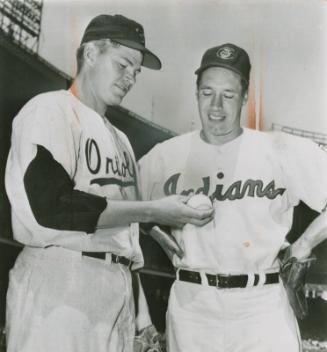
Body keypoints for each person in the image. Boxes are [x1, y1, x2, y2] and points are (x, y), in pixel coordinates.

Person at [4, 14, 214, 352]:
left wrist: (143, 319)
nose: (131, 77)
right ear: (90, 54)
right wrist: (152, 212)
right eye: (123, 65)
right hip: (59, 285)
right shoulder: (48, 111)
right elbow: (53, 206)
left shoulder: (122, 142)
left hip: (115, 293)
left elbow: (125, 247)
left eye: (137, 71)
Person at [139, 43, 327, 352]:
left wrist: (304, 243)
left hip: (263, 306)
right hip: (192, 306)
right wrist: (156, 231)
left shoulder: (278, 150)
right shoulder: (165, 156)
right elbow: (117, 203)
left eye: (228, 95)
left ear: (244, 98)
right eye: (207, 93)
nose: (216, 106)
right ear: (196, 92)